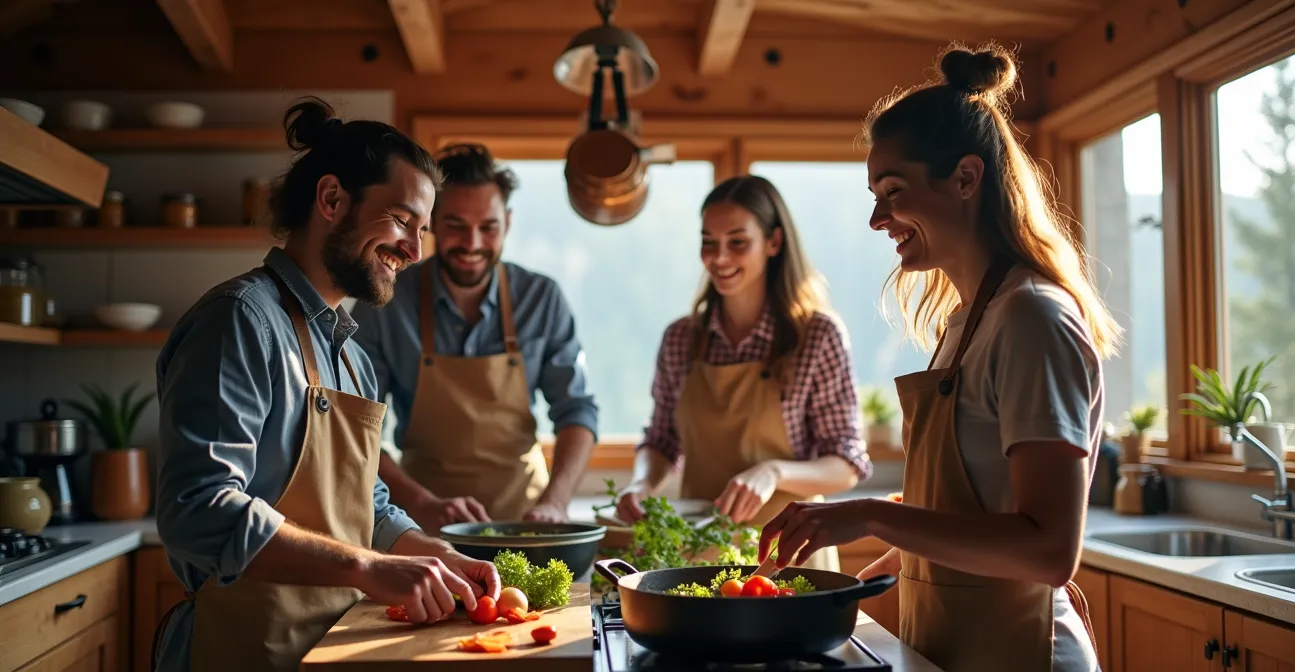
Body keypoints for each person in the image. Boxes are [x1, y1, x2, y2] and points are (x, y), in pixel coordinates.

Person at [756, 44, 1112, 672]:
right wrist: (858, 579)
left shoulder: (1032, 319)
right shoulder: (966, 323)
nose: (877, 218)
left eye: (893, 191)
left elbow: (1050, 550)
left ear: (966, 179)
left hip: (1028, 654)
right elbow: (970, 509)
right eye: (875, 194)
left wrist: (873, 515)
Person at [153, 99, 500, 672]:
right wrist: (368, 567)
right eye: (402, 221)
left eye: (422, 231)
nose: (415, 251)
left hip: (332, 651)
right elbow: (198, 510)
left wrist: (437, 554)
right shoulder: (240, 320)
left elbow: (367, 506)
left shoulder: (353, 357)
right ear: (332, 199)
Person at [613, 175, 872, 572]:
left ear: (773, 242)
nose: (719, 258)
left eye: (737, 242)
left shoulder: (817, 337)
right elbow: (662, 439)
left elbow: (846, 464)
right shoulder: (681, 339)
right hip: (696, 557)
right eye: (708, 242)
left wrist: (774, 472)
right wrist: (642, 483)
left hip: (790, 556)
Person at [353, 142, 599, 527]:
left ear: (508, 224)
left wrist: (555, 502)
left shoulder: (541, 299)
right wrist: (421, 504)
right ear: (432, 222)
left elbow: (577, 411)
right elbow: (358, 429)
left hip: (525, 520)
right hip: (421, 524)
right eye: (455, 226)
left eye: (488, 228)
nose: (472, 244)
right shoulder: (387, 302)